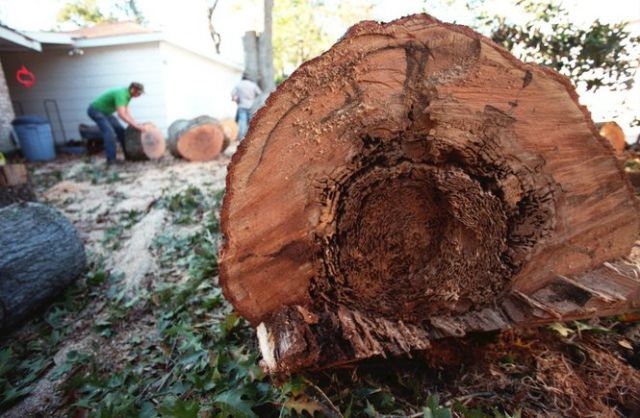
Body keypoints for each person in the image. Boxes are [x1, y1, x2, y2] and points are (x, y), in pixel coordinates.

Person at [87, 82, 146, 164]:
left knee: (121, 132)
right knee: (109, 132)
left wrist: (136, 125)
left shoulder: (128, 95)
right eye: (139, 93)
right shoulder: (121, 95)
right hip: (95, 111)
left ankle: (129, 155)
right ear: (133, 89)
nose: (139, 95)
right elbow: (121, 115)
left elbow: (127, 113)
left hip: (106, 113)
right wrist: (135, 126)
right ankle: (111, 160)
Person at [231, 74, 262, 140]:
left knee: (242, 122)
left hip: (242, 105)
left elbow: (232, 94)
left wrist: (236, 100)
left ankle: (241, 138)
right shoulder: (253, 85)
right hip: (252, 106)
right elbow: (259, 94)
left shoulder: (239, 85)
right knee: (252, 121)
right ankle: (252, 137)